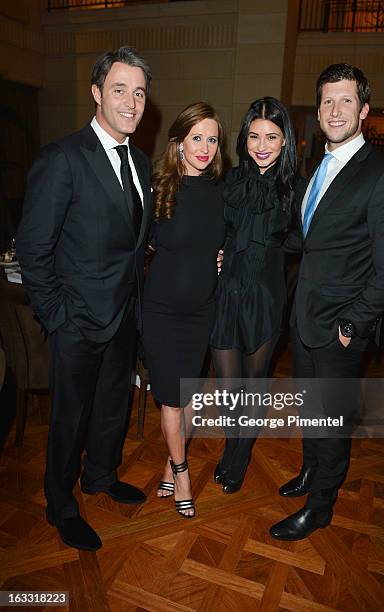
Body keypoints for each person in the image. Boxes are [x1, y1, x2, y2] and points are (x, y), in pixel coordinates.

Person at [16, 47, 153, 551]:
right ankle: (61, 503)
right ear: (96, 93)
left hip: (123, 317)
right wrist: (58, 317)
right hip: (77, 320)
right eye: (120, 90)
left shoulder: (138, 161)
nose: (131, 102)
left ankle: (100, 476)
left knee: (112, 407)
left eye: (139, 92)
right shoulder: (63, 158)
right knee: (69, 418)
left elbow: (131, 238)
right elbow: (34, 248)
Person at [270, 63, 384, 542]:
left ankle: (322, 506)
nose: (335, 110)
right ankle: (311, 473)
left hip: (340, 329)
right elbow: (306, 240)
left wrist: (352, 323)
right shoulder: (319, 168)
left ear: (364, 110)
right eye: (327, 100)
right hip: (305, 318)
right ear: (317, 109)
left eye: (346, 100)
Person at [141, 102, 226, 518]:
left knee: (189, 399)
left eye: (212, 139)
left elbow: (220, 243)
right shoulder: (159, 188)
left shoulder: (222, 192)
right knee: (172, 402)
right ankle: (182, 471)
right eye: (197, 138)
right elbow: (139, 245)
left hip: (201, 311)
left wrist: (223, 255)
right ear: (179, 141)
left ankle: (169, 461)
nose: (205, 147)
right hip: (161, 311)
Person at [210, 97, 297, 494]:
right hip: (227, 292)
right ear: (244, 138)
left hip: (265, 297)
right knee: (229, 386)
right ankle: (234, 446)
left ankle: (239, 456)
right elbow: (213, 230)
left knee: (254, 381)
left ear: (284, 141)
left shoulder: (294, 189)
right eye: (254, 136)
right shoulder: (228, 181)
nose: (262, 145)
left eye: (272, 137)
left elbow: (304, 242)